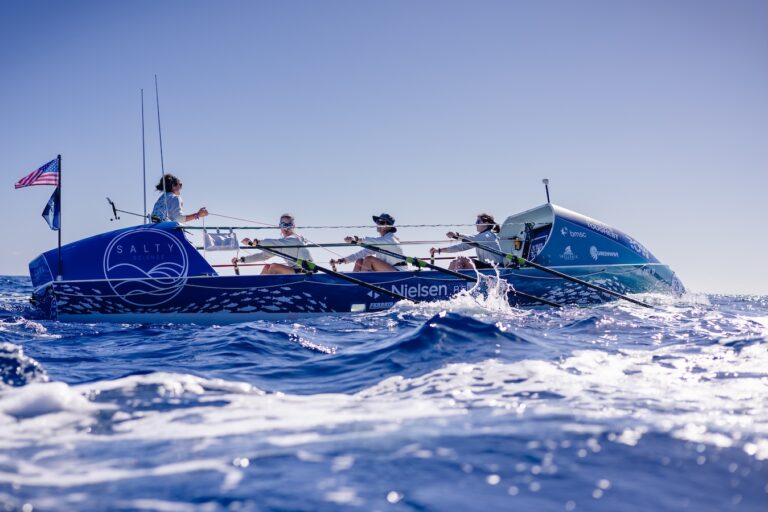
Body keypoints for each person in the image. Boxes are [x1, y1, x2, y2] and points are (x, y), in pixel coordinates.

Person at [231, 214, 313, 274]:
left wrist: (254, 243)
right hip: (295, 270)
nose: (285, 228)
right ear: (280, 226)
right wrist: (242, 260)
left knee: (274, 267)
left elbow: (275, 243)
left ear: (293, 226)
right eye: (283, 225)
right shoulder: (282, 244)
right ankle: (257, 290)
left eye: (288, 225)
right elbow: (263, 256)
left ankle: (266, 292)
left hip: (305, 271)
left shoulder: (295, 239)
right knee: (267, 267)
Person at [331, 213, 405, 272]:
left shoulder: (390, 239)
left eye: (381, 222)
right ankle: (353, 286)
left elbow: (371, 241)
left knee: (369, 259)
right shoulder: (380, 241)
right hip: (387, 269)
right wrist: (342, 260)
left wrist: (355, 239)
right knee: (359, 261)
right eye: (377, 222)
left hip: (398, 271)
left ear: (389, 227)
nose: (378, 224)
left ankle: (363, 287)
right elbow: (361, 253)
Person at [430, 213, 503, 270]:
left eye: (478, 221)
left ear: (486, 223)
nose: (476, 224)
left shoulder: (489, 235)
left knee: (462, 260)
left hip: (496, 268)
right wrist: (438, 250)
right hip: (487, 267)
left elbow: (473, 239)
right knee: (455, 261)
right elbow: (460, 247)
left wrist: (457, 235)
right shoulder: (479, 238)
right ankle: (448, 283)